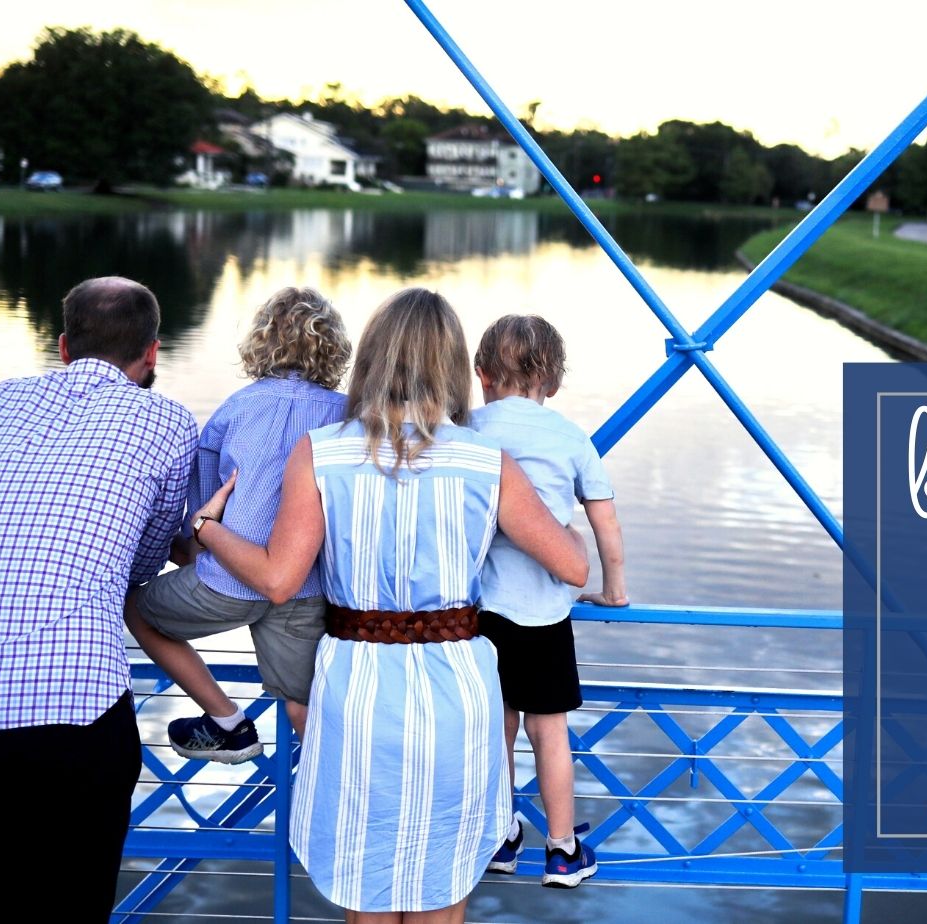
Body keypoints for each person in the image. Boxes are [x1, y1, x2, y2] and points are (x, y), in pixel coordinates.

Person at [191, 288, 588, 923]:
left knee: (365, 884)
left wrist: (208, 529)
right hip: (456, 688)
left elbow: (278, 580)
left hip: (358, 683)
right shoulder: (487, 461)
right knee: (442, 889)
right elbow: (572, 567)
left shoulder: (322, 450)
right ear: (458, 366)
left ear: (371, 357)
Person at [0, 276, 198, 921]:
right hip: (72, 705)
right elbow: (144, 560)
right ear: (151, 353)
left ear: (64, 346)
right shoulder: (170, 420)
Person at [125, 286, 351, 763]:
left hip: (225, 585)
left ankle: (227, 721)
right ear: (333, 348)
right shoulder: (349, 415)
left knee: (137, 609)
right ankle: (331, 794)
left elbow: (203, 510)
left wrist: (192, 551)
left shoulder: (234, 410)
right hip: (304, 587)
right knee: (303, 703)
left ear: (261, 343)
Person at [470, 314, 627, 888]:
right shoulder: (569, 436)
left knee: (497, 729)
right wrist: (614, 587)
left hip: (479, 612)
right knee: (549, 732)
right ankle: (561, 849)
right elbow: (604, 521)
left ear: (481, 375)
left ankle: (497, 838)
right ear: (553, 383)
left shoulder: (467, 429)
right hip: (545, 614)